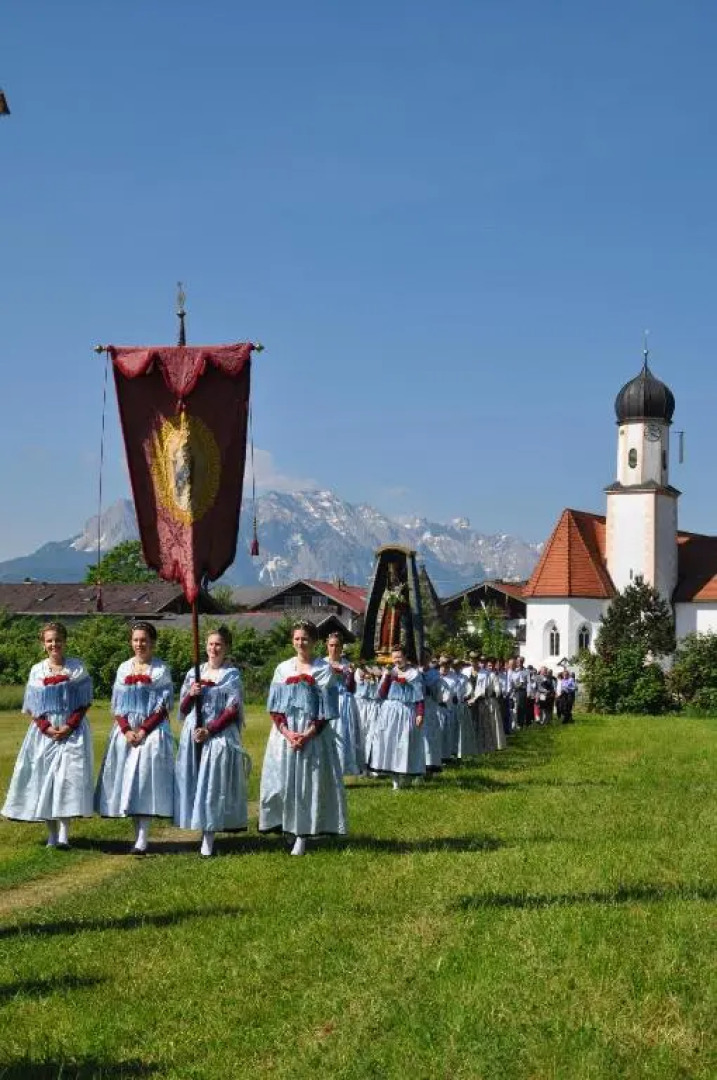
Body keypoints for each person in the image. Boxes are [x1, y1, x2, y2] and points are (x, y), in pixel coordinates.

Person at [2, 622, 93, 849]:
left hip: (72, 730)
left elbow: (84, 702)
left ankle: (64, 832)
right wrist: (46, 727)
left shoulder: (76, 668)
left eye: (58, 640)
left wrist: (70, 726)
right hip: (45, 732)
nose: (54, 644)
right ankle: (51, 834)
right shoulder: (37, 670)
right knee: (46, 779)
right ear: (43, 644)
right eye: (50, 641)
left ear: (65, 641)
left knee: (67, 779)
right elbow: (33, 705)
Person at [259, 620, 346, 855]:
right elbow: (275, 707)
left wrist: (307, 734)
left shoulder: (323, 670)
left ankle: (302, 833)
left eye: (305, 639)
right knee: (284, 782)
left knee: (308, 784)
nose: (300, 643)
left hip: (312, 734)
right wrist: (287, 733)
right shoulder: (282, 669)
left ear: (315, 642)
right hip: (285, 734)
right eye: (297, 638)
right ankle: (287, 825)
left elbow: (327, 710)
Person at [95, 621, 174, 854]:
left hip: (151, 731)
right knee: (128, 780)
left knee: (145, 780)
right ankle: (135, 831)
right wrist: (127, 729)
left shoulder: (160, 670)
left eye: (144, 640)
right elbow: (117, 705)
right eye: (136, 640)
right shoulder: (123, 668)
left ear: (153, 642)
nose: (140, 644)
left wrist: (143, 731)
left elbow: (163, 707)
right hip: (127, 732)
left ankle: (143, 835)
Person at [174, 626, 250, 857]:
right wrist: (191, 694)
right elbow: (184, 709)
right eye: (210, 644)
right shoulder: (193, 673)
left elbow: (232, 709)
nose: (213, 648)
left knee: (212, 783)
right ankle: (197, 823)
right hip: (193, 732)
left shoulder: (231, 675)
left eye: (218, 644)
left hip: (218, 733)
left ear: (226, 647)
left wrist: (210, 729)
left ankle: (208, 837)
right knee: (194, 780)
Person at [370, 645, 426, 789]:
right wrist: (387, 676)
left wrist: (420, 714)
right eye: (394, 657)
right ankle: (395, 780)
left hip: (407, 709)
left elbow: (419, 697)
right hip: (390, 711)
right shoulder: (390, 672)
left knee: (405, 743)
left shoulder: (414, 674)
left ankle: (405, 774)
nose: (396, 660)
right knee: (391, 743)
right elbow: (382, 694)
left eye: (399, 657)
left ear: (406, 657)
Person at [326, 632, 365, 777]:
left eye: (337, 645)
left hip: (344, 700)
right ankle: (328, 768)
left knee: (344, 735)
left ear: (341, 647)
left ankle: (342, 768)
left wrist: (350, 675)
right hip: (328, 700)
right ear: (327, 646)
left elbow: (352, 688)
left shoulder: (348, 665)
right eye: (331, 645)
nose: (334, 648)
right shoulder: (322, 663)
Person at [419, 648, 443, 774]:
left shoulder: (435, 674)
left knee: (429, 736)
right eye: (422, 657)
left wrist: (429, 688)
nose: (424, 659)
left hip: (429, 706)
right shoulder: (415, 671)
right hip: (417, 707)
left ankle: (430, 765)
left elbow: (438, 694)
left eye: (426, 657)